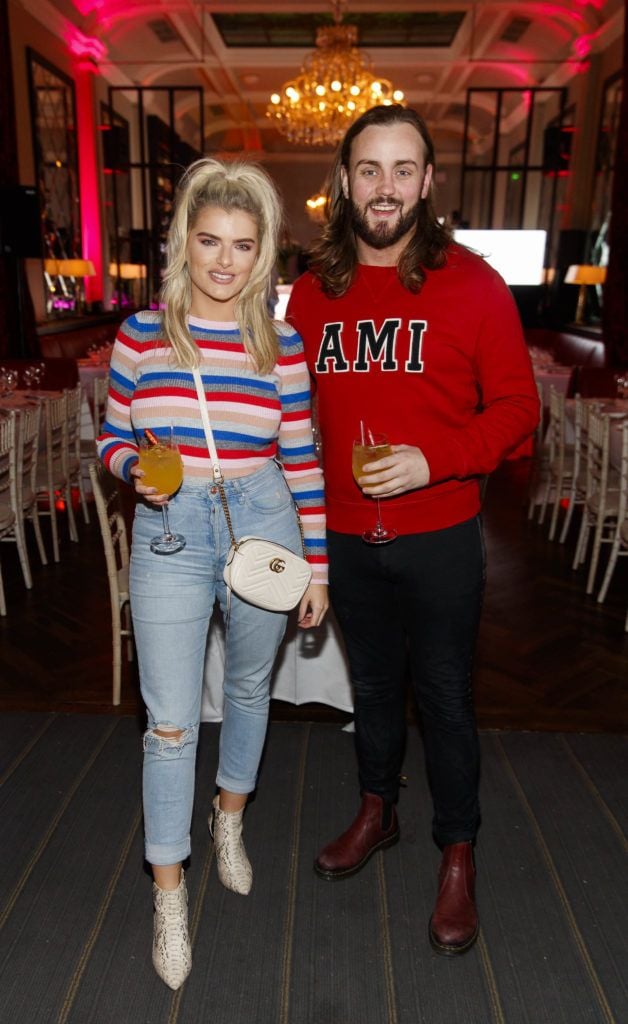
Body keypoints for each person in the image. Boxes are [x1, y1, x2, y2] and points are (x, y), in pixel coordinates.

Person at [286, 105, 538, 957]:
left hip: (441, 534)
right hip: (346, 537)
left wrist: (435, 461)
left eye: (403, 170)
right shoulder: (312, 294)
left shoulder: (474, 285)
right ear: (344, 183)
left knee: (445, 698)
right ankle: (376, 808)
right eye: (368, 169)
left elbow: (517, 410)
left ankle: (457, 849)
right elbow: (294, 415)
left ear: (429, 182)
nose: (384, 187)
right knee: (369, 688)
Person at [97, 158, 328, 990]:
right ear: (183, 245)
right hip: (168, 530)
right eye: (209, 242)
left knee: (247, 691)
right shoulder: (139, 336)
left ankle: (230, 817)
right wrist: (135, 468)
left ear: (263, 252)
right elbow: (111, 438)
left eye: (243, 244)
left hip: (264, 517)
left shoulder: (283, 342)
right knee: (167, 723)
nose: (224, 262)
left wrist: (320, 569)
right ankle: (169, 888)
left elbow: (301, 461)